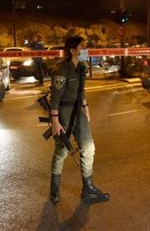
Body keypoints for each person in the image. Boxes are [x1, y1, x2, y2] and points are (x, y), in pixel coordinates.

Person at [48, 35, 109, 204]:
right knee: (62, 151)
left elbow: (81, 91)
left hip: (78, 111)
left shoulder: (81, 67)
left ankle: (88, 189)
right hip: (64, 111)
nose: (85, 50)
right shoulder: (62, 69)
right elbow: (55, 98)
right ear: (73, 51)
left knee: (88, 147)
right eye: (82, 47)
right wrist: (55, 121)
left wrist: (86, 108)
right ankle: (54, 191)